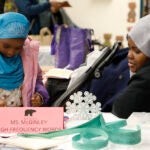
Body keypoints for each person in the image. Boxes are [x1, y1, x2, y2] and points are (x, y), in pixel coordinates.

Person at [0, 12, 49, 107]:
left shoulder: (28, 57)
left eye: (18, 48)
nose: (11, 52)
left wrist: (40, 95)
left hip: (19, 118)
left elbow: (37, 80)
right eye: (6, 46)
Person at [112, 14, 150, 119]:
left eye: (137, 51)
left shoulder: (146, 78)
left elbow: (120, 109)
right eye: (129, 48)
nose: (129, 55)